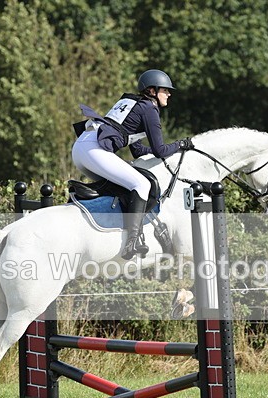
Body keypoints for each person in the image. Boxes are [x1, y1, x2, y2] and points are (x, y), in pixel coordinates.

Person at [72, 69, 194, 260]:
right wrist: (180, 144)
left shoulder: (132, 104)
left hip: (82, 148)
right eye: (165, 90)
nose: (169, 94)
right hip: (93, 149)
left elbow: (138, 151)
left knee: (124, 185)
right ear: (152, 91)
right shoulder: (149, 109)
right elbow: (160, 150)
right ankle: (132, 242)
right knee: (142, 184)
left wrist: (162, 152)